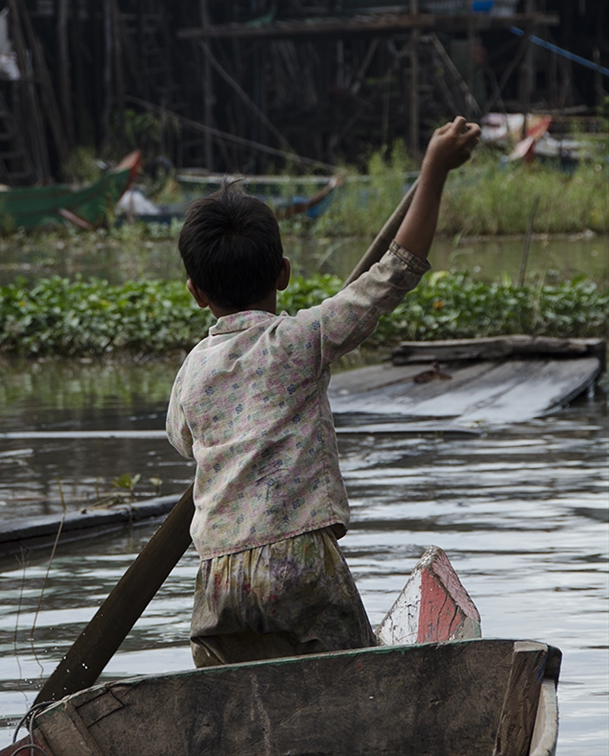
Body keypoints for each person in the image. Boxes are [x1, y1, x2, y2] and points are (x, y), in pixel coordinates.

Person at [166, 115, 480, 668]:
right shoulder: (302, 339)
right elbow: (395, 274)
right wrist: (433, 169)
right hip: (299, 563)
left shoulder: (192, 370)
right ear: (284, 273)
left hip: (216, 580)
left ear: (195, 293)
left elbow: (184, 442)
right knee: (360, 685)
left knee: (228, 709)